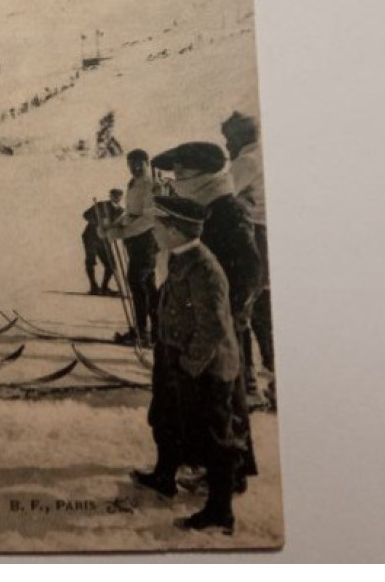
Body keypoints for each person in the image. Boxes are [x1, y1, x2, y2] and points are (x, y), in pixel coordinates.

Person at [132, 195, 250, 535]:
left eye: (158, 226)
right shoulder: (180, 257)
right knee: (166, 417)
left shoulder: (204, 267)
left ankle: (219, 511)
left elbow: (212, 326)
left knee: (215, 439)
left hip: (206, 368)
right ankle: (164, 478)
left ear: (174, 230)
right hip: (177, 357)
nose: (153, 232)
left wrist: (188, 364)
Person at [223, 112, 273, 408]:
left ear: (241, 136)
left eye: (229, 138)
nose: (227, 145)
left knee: (241, 308)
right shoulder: (262, 156)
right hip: (263, 237)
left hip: (250, 237)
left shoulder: (248, 161)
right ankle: (275, 379)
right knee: (262, 312)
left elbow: (223, 192)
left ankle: (247, 383)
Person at [105, 150, 159, 345]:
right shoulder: (134, 183)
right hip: (136, 241)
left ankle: (143, 332)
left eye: (138, 163)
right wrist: (114, 225)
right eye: (131, 164)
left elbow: (148, 219)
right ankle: (153, 332)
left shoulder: (151, 185)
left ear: (147, 162)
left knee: (138, 283)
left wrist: (122, 233)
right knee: (146, 286)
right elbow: (130, 212)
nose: (134, 167)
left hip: (146, 239)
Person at [81, 189, 124, 296]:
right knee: (90, 261)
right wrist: (97, 222)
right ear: (110, 196)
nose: (117, 198)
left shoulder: (121, 211)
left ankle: (104, 287)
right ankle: (93, 287)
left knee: (111, 264)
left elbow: (121, 224)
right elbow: (86, 215)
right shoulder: (101, 205)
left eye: (119, 196)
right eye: (114, 195)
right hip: (91, 236)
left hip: (104, 239)